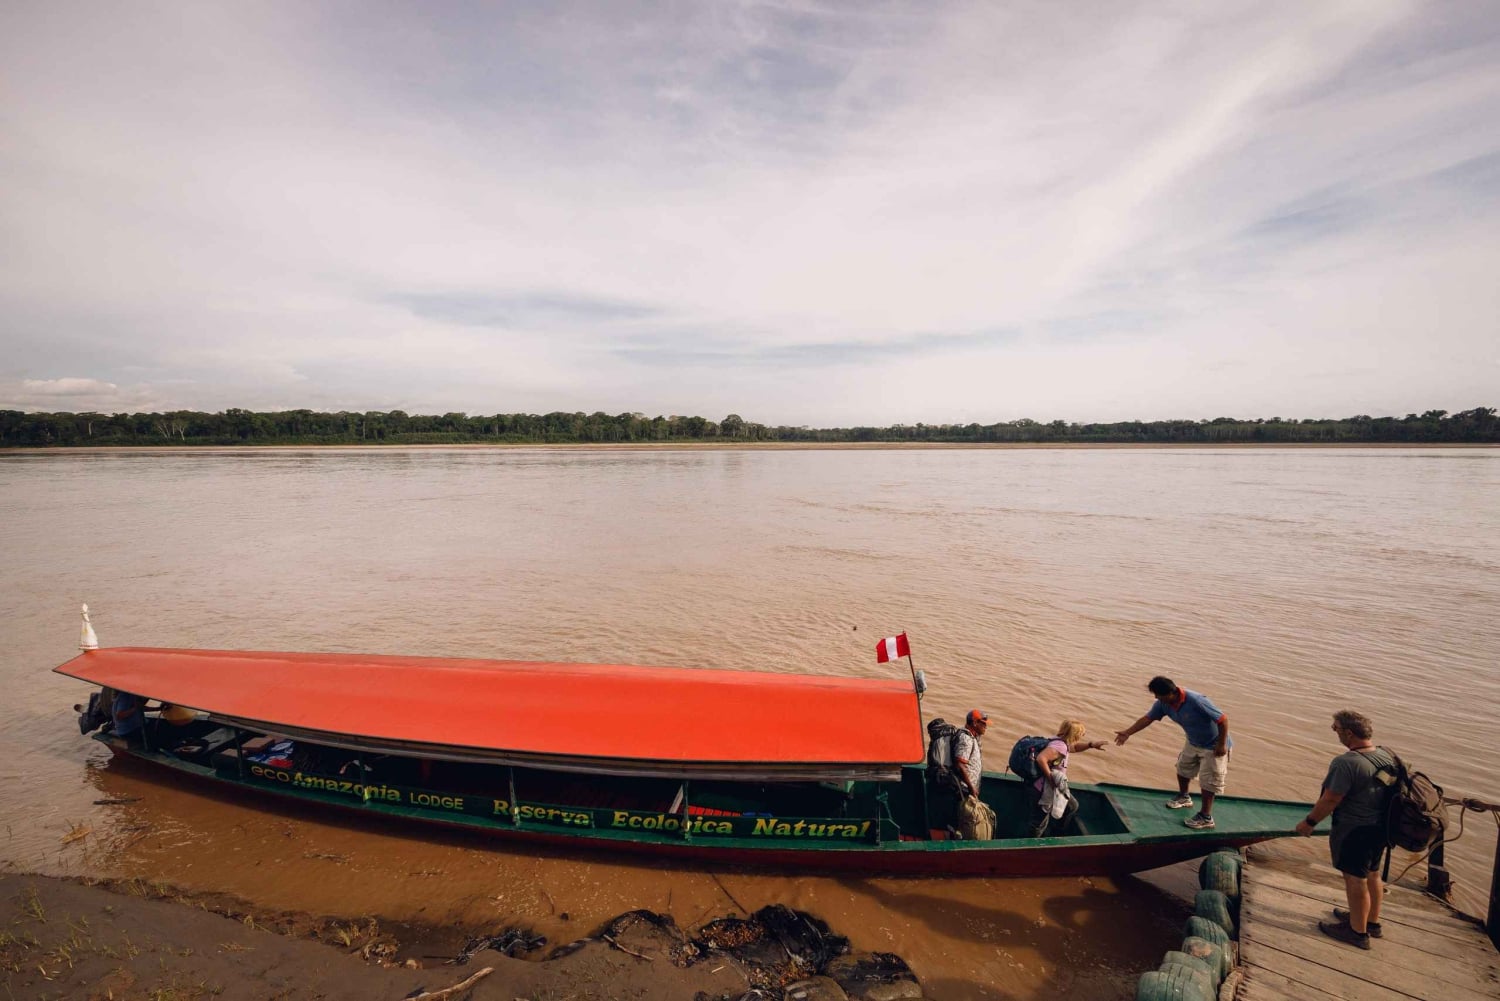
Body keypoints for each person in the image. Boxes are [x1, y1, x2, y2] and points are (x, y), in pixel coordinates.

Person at [1295, 710, 1395, 950]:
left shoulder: (1346, 763)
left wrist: (1309, 822)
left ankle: (1357, 932)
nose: (1335, 732)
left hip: (1355, 830)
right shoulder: (1386, 755)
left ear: (1349, 733)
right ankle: (1371, 922)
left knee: (1355, 878)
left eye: (1336, 728)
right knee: (1373, 874)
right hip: (1380, 828)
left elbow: (1331, 799)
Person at [1114, 676, 1230, 830]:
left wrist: (1221, 744)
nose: (1156, 698)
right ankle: (1184, 797)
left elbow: (1222, 720)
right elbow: (1148, 718)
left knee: (1208, 781)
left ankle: (1206, 817)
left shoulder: (1196, 701)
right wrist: (1128, 732)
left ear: (1170, 693)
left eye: (1158, 695)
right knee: (1182, 768)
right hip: (1193, 741)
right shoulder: (1163, 703)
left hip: (1213, 745)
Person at [1027, 720, 1108, 837]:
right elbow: (1041, 759)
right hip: (1043, 788)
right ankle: (1031, 844)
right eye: (1081, 733)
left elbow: (1074, 747)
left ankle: (1056, 832)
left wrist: (1090, 745)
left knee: (1071, 806)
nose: (1083, 735)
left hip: (1049, 786)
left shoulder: (1060, 741)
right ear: (1074, 734)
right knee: (1039, 823)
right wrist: (1051, 779)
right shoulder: (1060, 746)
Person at [930, 710, 990, 840]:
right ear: (974, 723)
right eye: (983, 723)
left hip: (966, 788)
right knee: (959, 822)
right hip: (962, 789)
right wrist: (971, 788)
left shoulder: (973, 738)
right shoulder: (966, 738)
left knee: (963, 822)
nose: (986, 727)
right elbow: (960, 765)